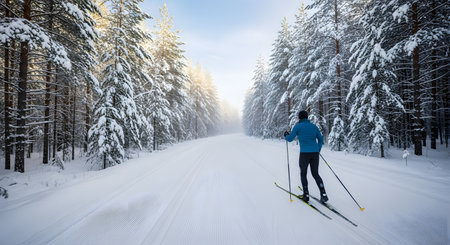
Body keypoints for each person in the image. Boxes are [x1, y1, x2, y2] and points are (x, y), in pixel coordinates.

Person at [284, 110, 328, 203]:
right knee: (315, 174)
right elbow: (320, 139)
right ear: (307, 117)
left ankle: (306, 195)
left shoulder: (298, 126)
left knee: (303, 173)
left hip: (304, 154)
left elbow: (290, 139)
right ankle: (323, 194)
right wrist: (318, 149)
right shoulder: (314, 126)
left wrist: (286, 135)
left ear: (299, 118)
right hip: (315, 153)